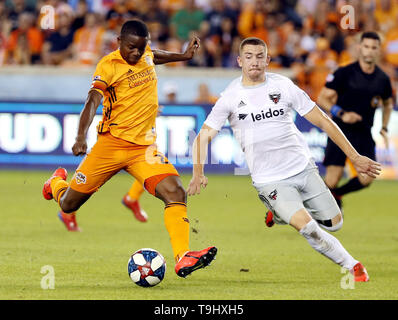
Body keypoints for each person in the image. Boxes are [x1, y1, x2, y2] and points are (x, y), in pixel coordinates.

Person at [188, 37, 382, 282]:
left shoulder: (283, 86)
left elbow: (322, 120)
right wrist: (198, 172)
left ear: (268, 60)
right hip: (269, 179)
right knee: (309, 227)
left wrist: (354, 157)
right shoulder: (230, 96)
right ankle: (353, 265)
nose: (254, 62)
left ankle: (278, 213)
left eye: (260, 56)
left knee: (335, 223)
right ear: (239, 61)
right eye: (248, 56)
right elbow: (202, 137)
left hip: (303, 168)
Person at [42, 19, 217, 278]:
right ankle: (55, 184)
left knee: (176, 192)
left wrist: (183, 55)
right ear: (119, 42)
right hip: (110, 146)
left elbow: (154, 55)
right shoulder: (108, 65)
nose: (136, 53)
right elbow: (92, 100)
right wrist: (81, 136)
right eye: (131, 48)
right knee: (68, 205)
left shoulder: (145, 52)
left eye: (141, 47)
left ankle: (183, 257)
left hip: (144, 149)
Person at [317, 31, 394, 209]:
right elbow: (322, 98)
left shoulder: (382, 79)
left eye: (373, 47)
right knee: (332, 179)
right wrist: (342, 113)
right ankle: (317, 209)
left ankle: (336, 195)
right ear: (360, 48)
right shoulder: (344, 72)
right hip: (340, 130)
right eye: (366, 46)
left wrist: (384, 127)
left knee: (367, 178)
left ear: (378, 51)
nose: (369, 51)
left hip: (364, 133)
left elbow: (388, 104)